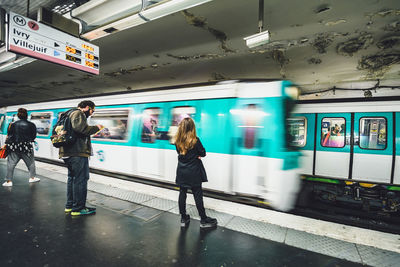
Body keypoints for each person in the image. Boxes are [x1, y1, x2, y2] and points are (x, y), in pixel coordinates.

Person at [59, 100, 103, 216]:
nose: (92, 113)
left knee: (72, 179)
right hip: (77, 152)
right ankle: (78, 208)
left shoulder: (67, 113)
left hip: (68, 152)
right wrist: (96, 128)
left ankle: (70, 206)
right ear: (87, 107)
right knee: (81, 180)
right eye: (92, 110)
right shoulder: (78, 113)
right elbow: (81, 129)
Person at [174, 117, 217, 228]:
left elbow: (180, 152)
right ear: (192, 128)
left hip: (182, 171)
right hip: (194, 172)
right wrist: (196, 155)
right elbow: (203, 153)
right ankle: (203, 219)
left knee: (182, 193)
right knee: (197, 195)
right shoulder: (195, 140)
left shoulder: (178, 140)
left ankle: (183, 218)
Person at [2, 108, 40, 186]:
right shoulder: (31, 125)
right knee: (31, 163)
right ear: (26, 115)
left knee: (11, 163)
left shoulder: (12, 124)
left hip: (14, 146)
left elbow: (10, 135)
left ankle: (8, 181)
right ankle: (32, 178)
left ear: (18, 116)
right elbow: (33, 136)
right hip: (26, 147)